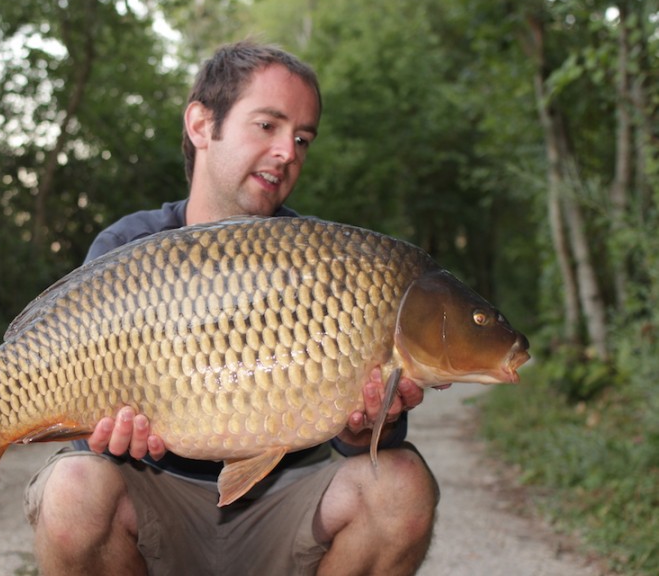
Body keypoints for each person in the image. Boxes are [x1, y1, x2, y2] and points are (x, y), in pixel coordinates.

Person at [24, 40, 439, 576]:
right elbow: (81, 402)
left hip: (281, 509)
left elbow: (352, 432)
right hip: (156, 509)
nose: (288, 151)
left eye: (303, 138)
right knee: (73, 488)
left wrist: (363, 428)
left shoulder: (324, 260)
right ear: (201, 124)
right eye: (268, 125)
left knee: (401, 485)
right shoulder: (127, 247)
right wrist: (102, 436)